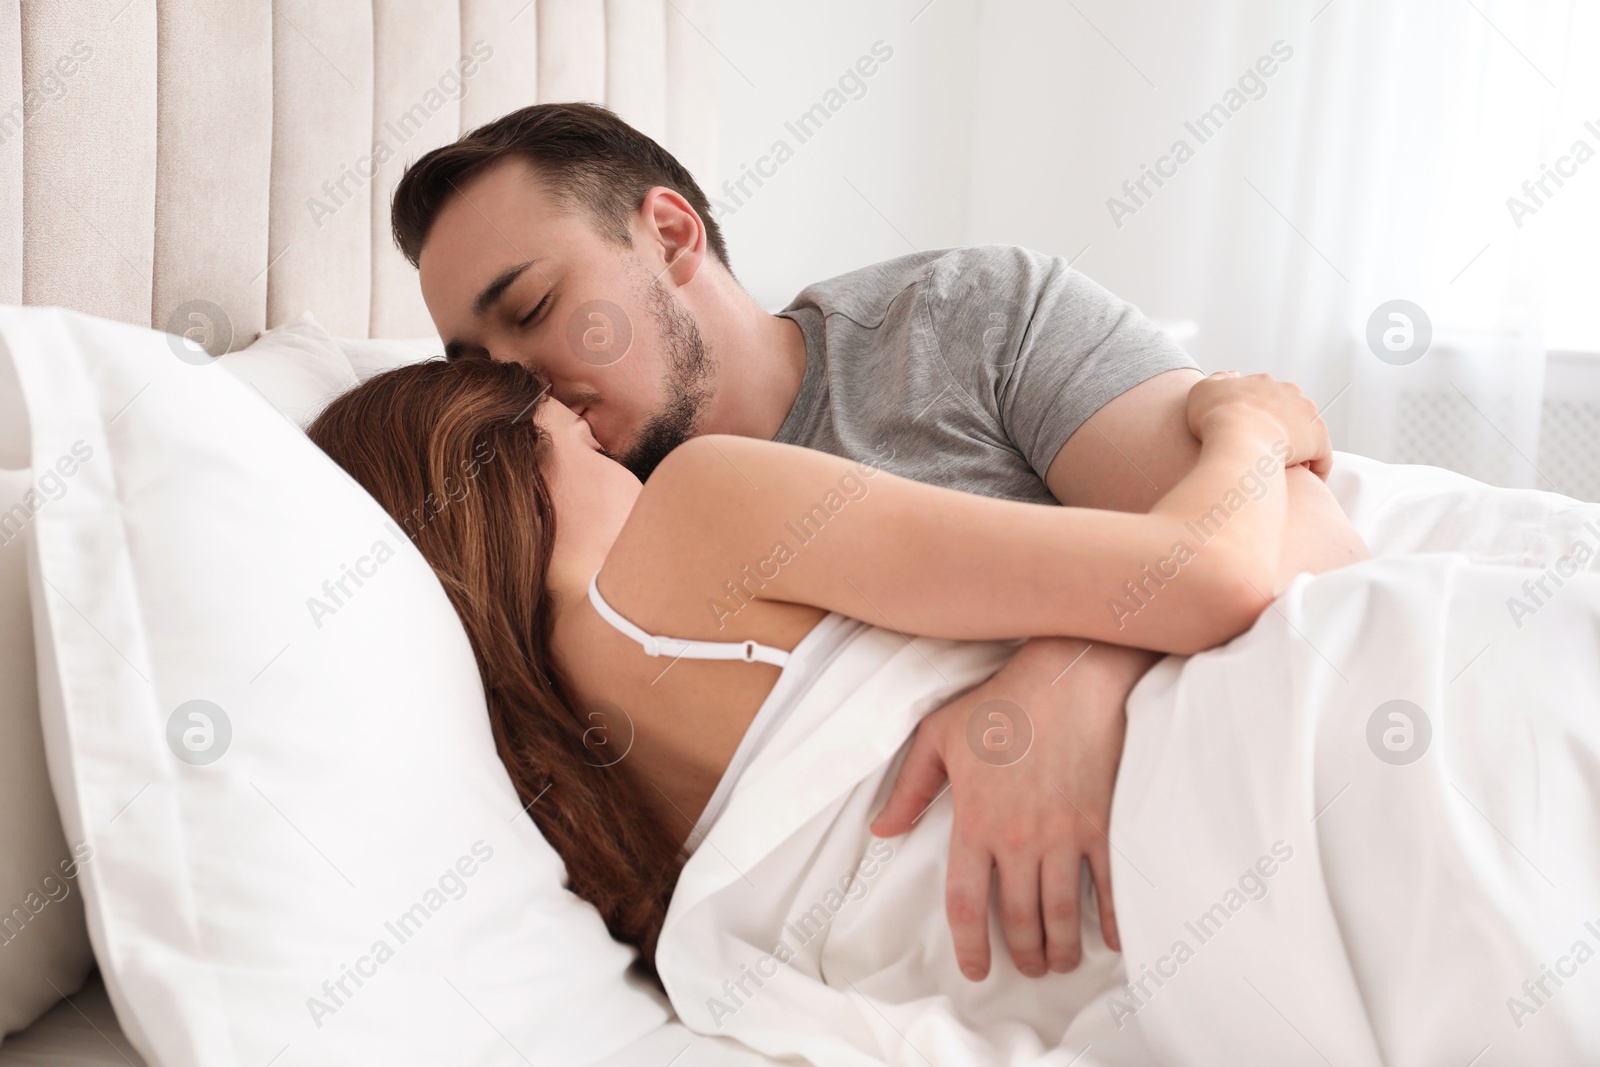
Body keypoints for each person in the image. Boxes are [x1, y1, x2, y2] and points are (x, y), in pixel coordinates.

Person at [381, 102, 1369, 982]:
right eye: (475, 367)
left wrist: (1071, 670)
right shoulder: (585, 546)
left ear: (671, 235)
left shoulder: (961, 316)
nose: (523, 383)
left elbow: (1312, 539)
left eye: (533, 310)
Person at [307, 356, 1363, 978]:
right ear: (497, 462)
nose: (606, 442)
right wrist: (1249, 425)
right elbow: (1210, 574)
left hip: (1181, 933)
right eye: (570, 434)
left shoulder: (576, 811)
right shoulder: (696, 505)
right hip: (1281, 768)